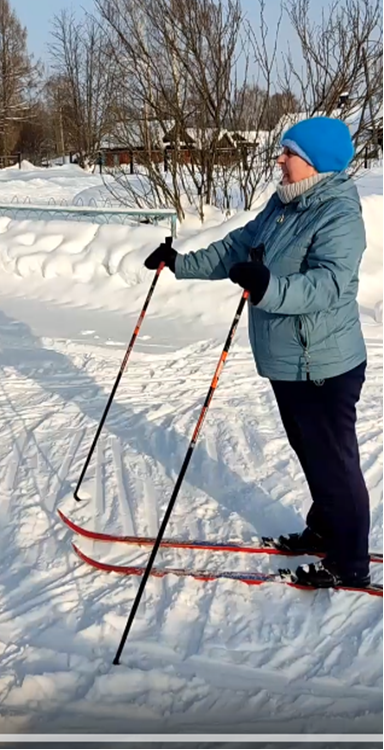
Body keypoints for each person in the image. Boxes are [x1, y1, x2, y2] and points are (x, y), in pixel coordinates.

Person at [144, 116, 371, 589]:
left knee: (334, 461)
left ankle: (349, 562)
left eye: (290, 154)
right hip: (288, 361)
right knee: (311, 452)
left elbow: (329, 284)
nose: (280, 160)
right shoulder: (283, 204)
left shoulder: (338, 214)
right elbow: (237, 247)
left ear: (316, 163)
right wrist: (180, 263)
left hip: (323, 363)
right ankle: (325, 528)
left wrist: (269, 287)